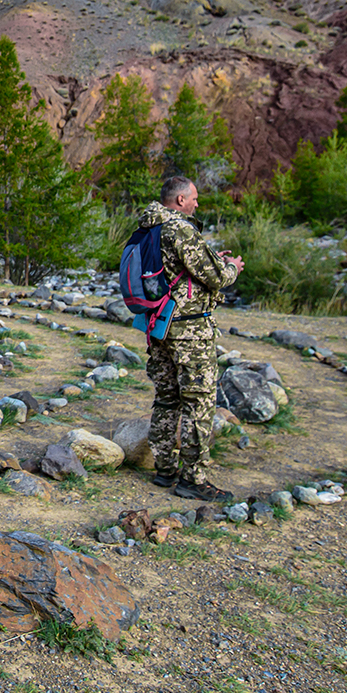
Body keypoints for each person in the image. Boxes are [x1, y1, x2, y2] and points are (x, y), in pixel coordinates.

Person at [138, 176, 244, 502]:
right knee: (198, 404)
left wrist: (210, 258)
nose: (197, 204)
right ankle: (193, 479)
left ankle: (164, 468)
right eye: (194, 199)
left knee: (167, 399)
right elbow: (215, 276)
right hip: (190, 332)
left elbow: (177, 270)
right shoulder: (180, 229)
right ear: (180, 200)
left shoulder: (145, 229)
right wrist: (231, 266)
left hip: (159, 327)